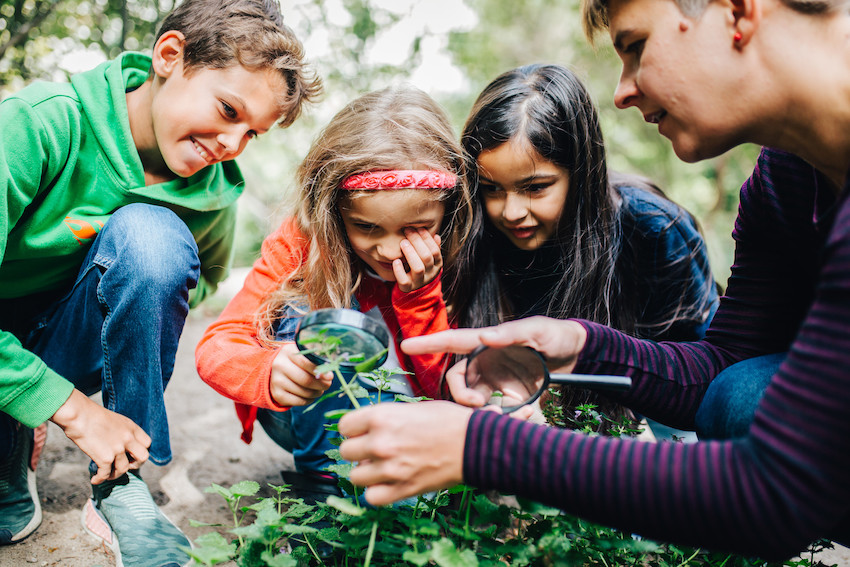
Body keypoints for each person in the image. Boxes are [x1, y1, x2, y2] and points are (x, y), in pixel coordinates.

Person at [337, 0, 850, 560]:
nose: (622, 92)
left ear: (737, 11)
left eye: (635, 47)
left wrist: (483, 448)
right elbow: (720, 371)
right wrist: (583, 348)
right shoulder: (783, 180)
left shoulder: (648, 225)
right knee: (741, 394)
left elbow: (774, 490)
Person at [0, 0, 320, 564]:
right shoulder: (39, 124)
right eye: (227, 110)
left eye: (252, 134)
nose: (231, 144)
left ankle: (121, 483)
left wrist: (124, 279)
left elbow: (190, 287)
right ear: (170, 55)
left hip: (65, 339)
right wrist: (66, 406)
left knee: (151, 240)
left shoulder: (214, 190)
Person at [195, 84, 473, 502]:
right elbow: (216, 346)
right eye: (367, 227)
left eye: (415, 228)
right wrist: (270, 370)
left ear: (447, 210)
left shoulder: (459, 251)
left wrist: (419, 298)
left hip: (415, 421)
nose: (389, 249)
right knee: (307, 304)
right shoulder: (303, 243)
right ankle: (322, 484)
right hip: (306, 416)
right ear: (333, 208)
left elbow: (446, 390)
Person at [444, 63, 717, 435]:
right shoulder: (478, 231)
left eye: (535, 187)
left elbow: (702, 370)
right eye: (492, 189)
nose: (510, 212)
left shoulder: (654, 229)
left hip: (667, 402)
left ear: (581, 172)